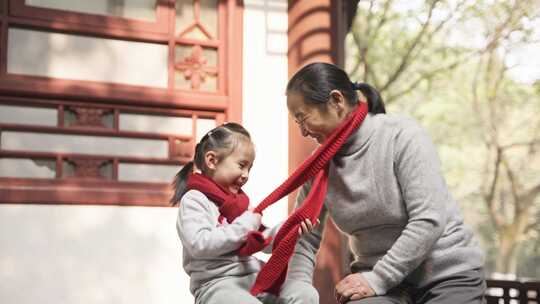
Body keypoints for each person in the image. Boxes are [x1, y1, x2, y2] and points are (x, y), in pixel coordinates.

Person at [284, 62, 486, 304]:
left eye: (303, 118)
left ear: (336, 101)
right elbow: (304, 237)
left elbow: (428, 219)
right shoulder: (319, 166)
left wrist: (378, 279)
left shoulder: (402, 135)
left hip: (445, 273)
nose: (303, 132)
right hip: (383, 285)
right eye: (298, 123)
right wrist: (297, 290)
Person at [171, 122, 319, 304]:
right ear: (211, 161)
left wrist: (290, 228)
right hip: (217, 285)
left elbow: (262, 241)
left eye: (250, 168)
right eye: (242, 165)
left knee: (304, 293)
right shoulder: (195, 200)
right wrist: (246, 224)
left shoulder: (239, 203)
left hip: (253, 276)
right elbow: (200, 244)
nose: (246, 174)